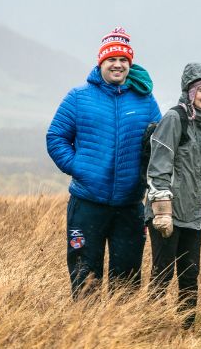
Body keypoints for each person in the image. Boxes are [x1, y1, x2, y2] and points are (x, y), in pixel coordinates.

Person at [46, 27, 160, 298]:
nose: (118, 65)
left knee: (127, 279)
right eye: (112, 59)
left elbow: (159, 146)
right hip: (87, 202)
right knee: (85, 273)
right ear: (101, 62)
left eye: (123, 60)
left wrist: (145, 180)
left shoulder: (145, 100)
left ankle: (120, 334)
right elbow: (56, 137)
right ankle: (85, 332)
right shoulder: (78, 97)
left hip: (130, 205)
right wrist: (79, 168)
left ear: (129, 64)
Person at [145, 63, 201, 328]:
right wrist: (162, 212)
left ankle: (186, 327)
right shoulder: (174, 118)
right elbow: (158, 166)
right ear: (190, 92)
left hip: (194, 214)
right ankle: (151, 326)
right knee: (163, 272)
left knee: (190, 274)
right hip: (168, 213)